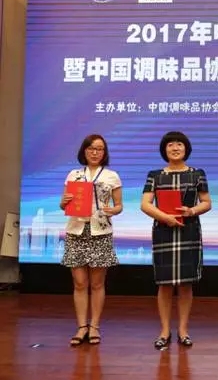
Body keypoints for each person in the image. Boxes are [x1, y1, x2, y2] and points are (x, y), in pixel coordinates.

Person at [141, 131, 212, 349]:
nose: (175, 148)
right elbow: (145, 204)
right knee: (164, 284)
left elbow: (206, 202)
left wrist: (191, 211)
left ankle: (183, 330)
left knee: (185, 284)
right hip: (163, 231)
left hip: (188, 231)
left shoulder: (197, 174)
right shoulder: (155, 175)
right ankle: (164, 330)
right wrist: (165, 217)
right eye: (170, 145)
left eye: (179, 144)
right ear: (164, 150)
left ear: (186, 149)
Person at [60, 134, 122, 346]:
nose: (95, 152)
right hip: (76, 231)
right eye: (91, 148)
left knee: (97, 283)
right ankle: (81, 327)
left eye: (99, 149)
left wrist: (113, 210)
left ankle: (94, 325)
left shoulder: (112, 176)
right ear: (84, 151)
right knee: (79, 283)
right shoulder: (74, 174)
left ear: (104, 153)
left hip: (100, 232)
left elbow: (119, 206)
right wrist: (64, 202)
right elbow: (64, 204)